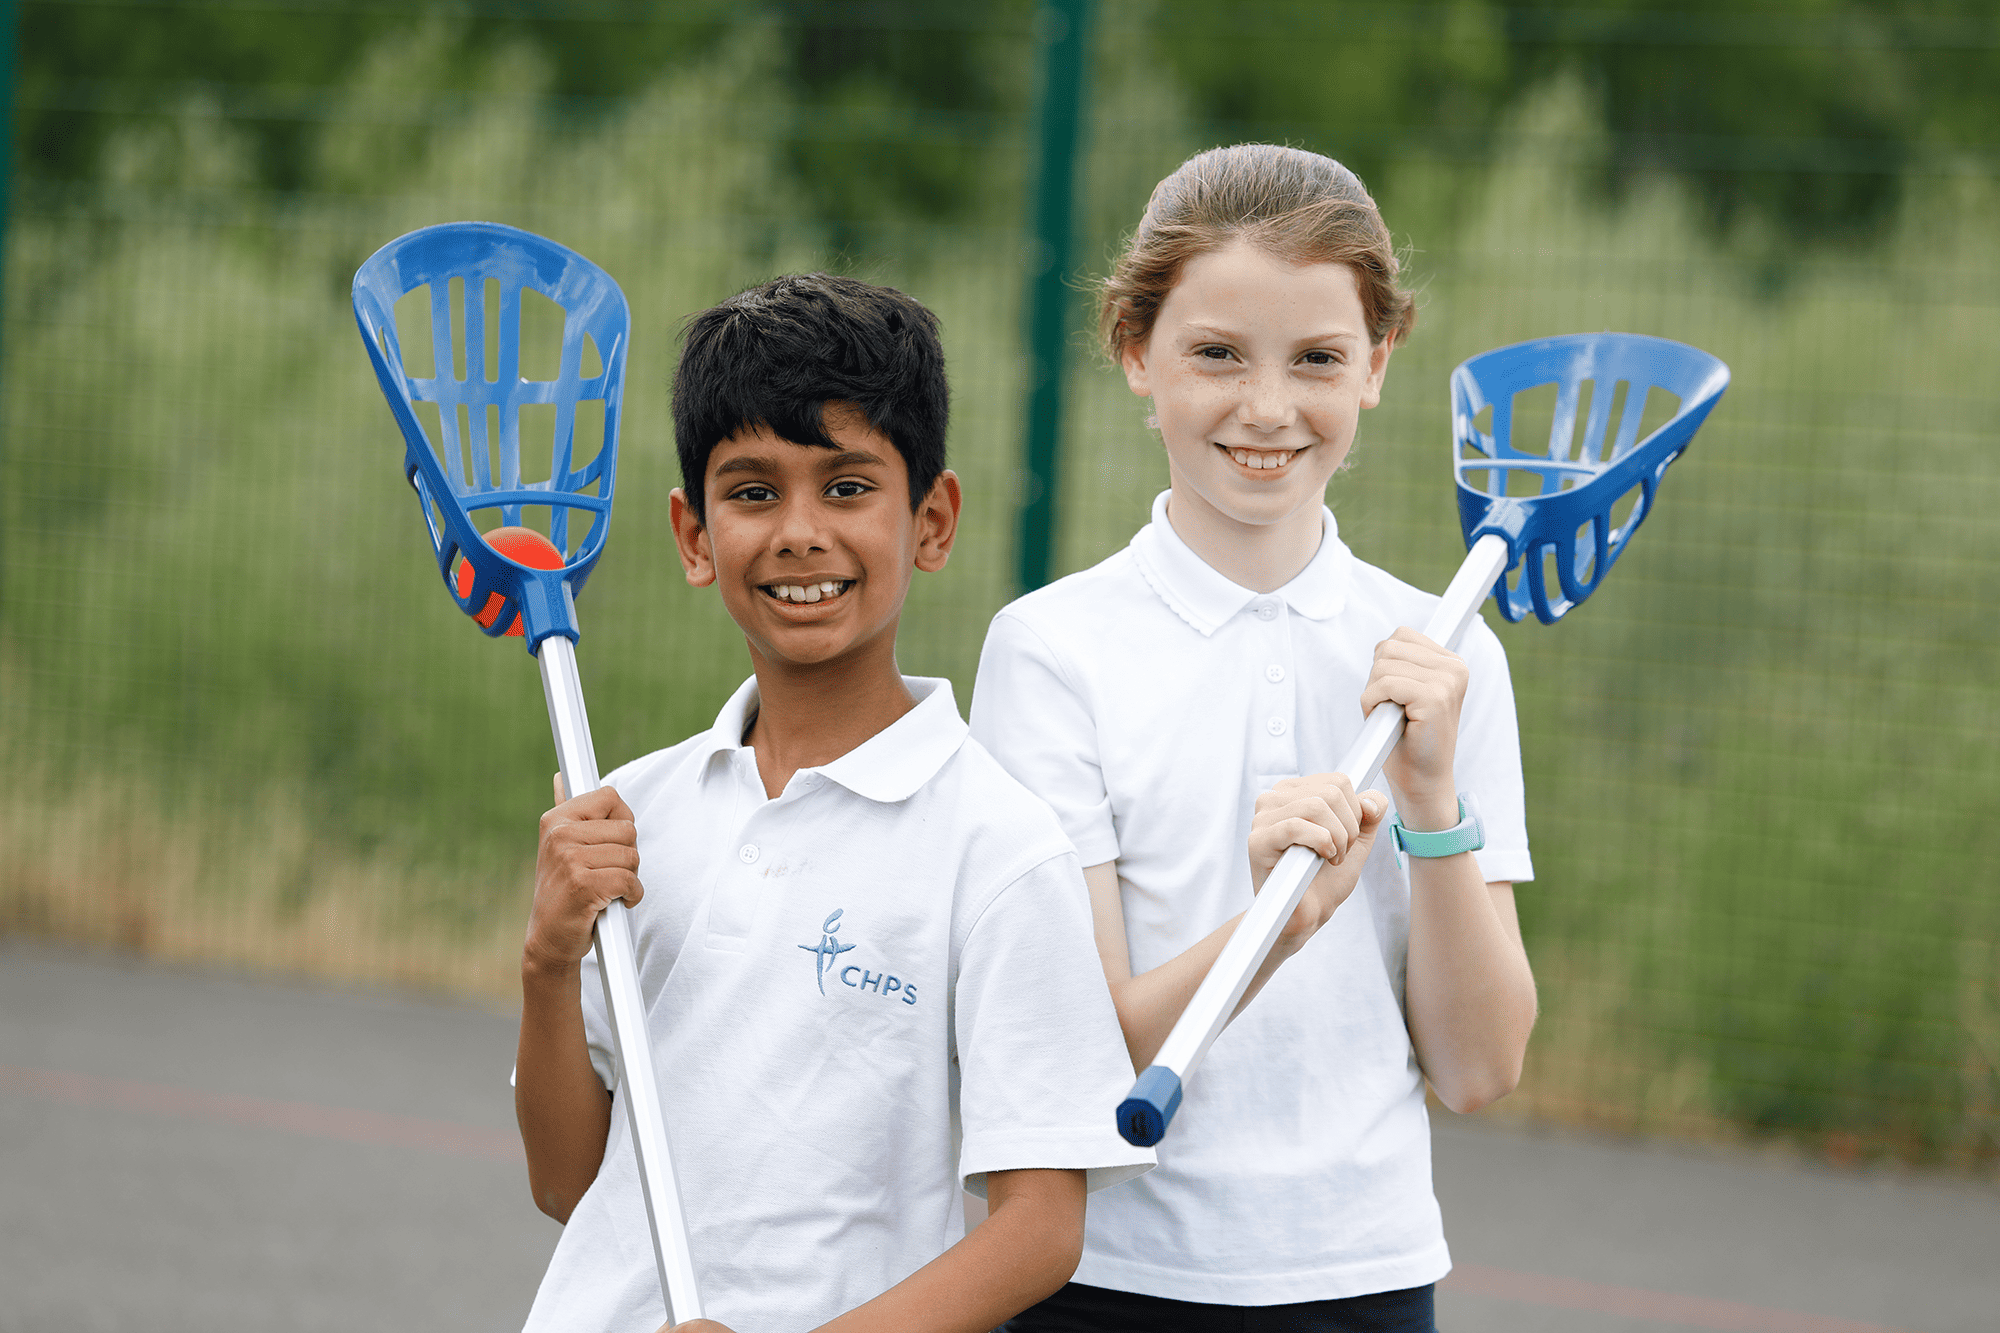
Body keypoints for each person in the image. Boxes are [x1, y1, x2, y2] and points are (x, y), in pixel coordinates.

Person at [514, 273, 1153, 1333]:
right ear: (692, 533)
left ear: (932, 519)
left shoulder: (995, 846)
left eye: (848, 487)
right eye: (752, 492)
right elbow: (569, 1184)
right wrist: (544, 958)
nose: (799, 532)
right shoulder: (632, 810)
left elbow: (1041, 1225)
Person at [970, 144, 1539, 1332]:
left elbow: (1480, 1068)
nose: (1267, 408)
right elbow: (1068, 1061)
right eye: (1216, 352)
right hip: (1108, 1282)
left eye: (1318, 359)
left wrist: (1430, 801)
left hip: (1365, 1278)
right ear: (1135, 350)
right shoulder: (1049, 651)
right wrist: (1275, 925)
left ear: (1377, 364)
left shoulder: (1444, 661)